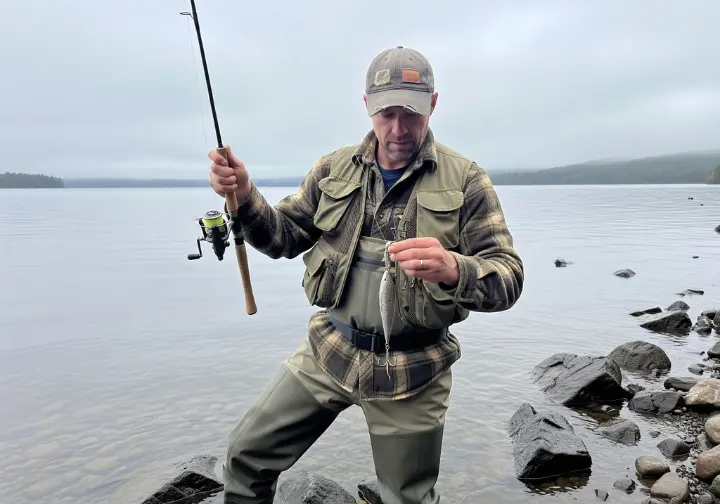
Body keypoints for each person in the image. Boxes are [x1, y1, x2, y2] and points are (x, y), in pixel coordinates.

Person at [207, 46, 524, 504]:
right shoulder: (333, 168)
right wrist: (244, 194)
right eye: (386, 113)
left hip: (414, 371)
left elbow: (509, 277)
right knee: (245, 456)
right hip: (328, 353)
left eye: (411, 114)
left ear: (433, 104)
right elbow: (282, 237)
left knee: (405, 499)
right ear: (367, 106)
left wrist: (457, 269)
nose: (398, 129)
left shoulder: (467, 181)